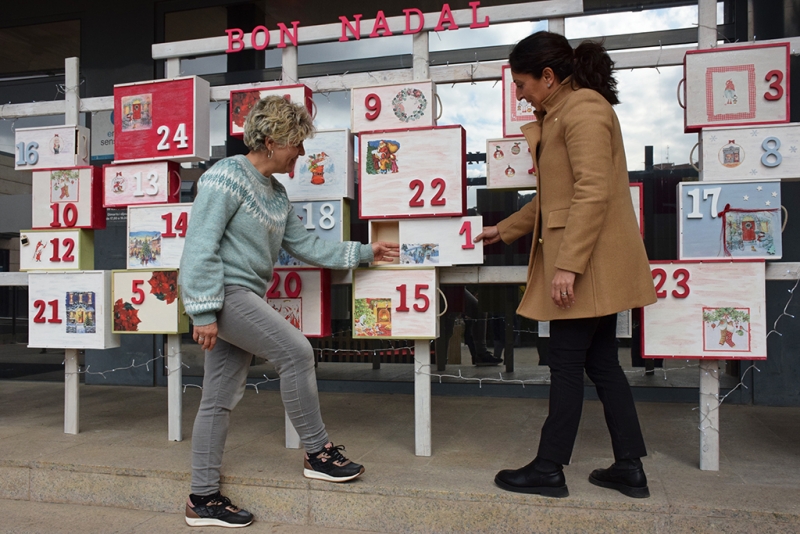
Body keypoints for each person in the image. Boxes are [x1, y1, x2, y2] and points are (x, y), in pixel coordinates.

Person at [179, 96, 399, 528]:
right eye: (296, 144)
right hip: (226, 294)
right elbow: (199, 246)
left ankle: (201, 498)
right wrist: (203, 310)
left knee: (218, 399)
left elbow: (308, 246)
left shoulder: (277, 194)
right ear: (271, 139)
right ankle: (318, 452)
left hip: (246, 297)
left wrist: (365, 252)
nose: (301, 153)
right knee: (296, 352)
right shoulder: (224, 177)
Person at [474, 31, 657, 499]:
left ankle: (549, 467)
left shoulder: (584, 111)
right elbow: (555, 197)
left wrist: (567, 267)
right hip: (590, 267)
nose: (519, 93)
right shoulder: (568, 112)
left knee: (566, 364)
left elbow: (592, 193)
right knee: (601, 364)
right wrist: (505, 229)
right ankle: (629, 466)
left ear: (549, 77)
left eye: (521, 83)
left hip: (587, 268)